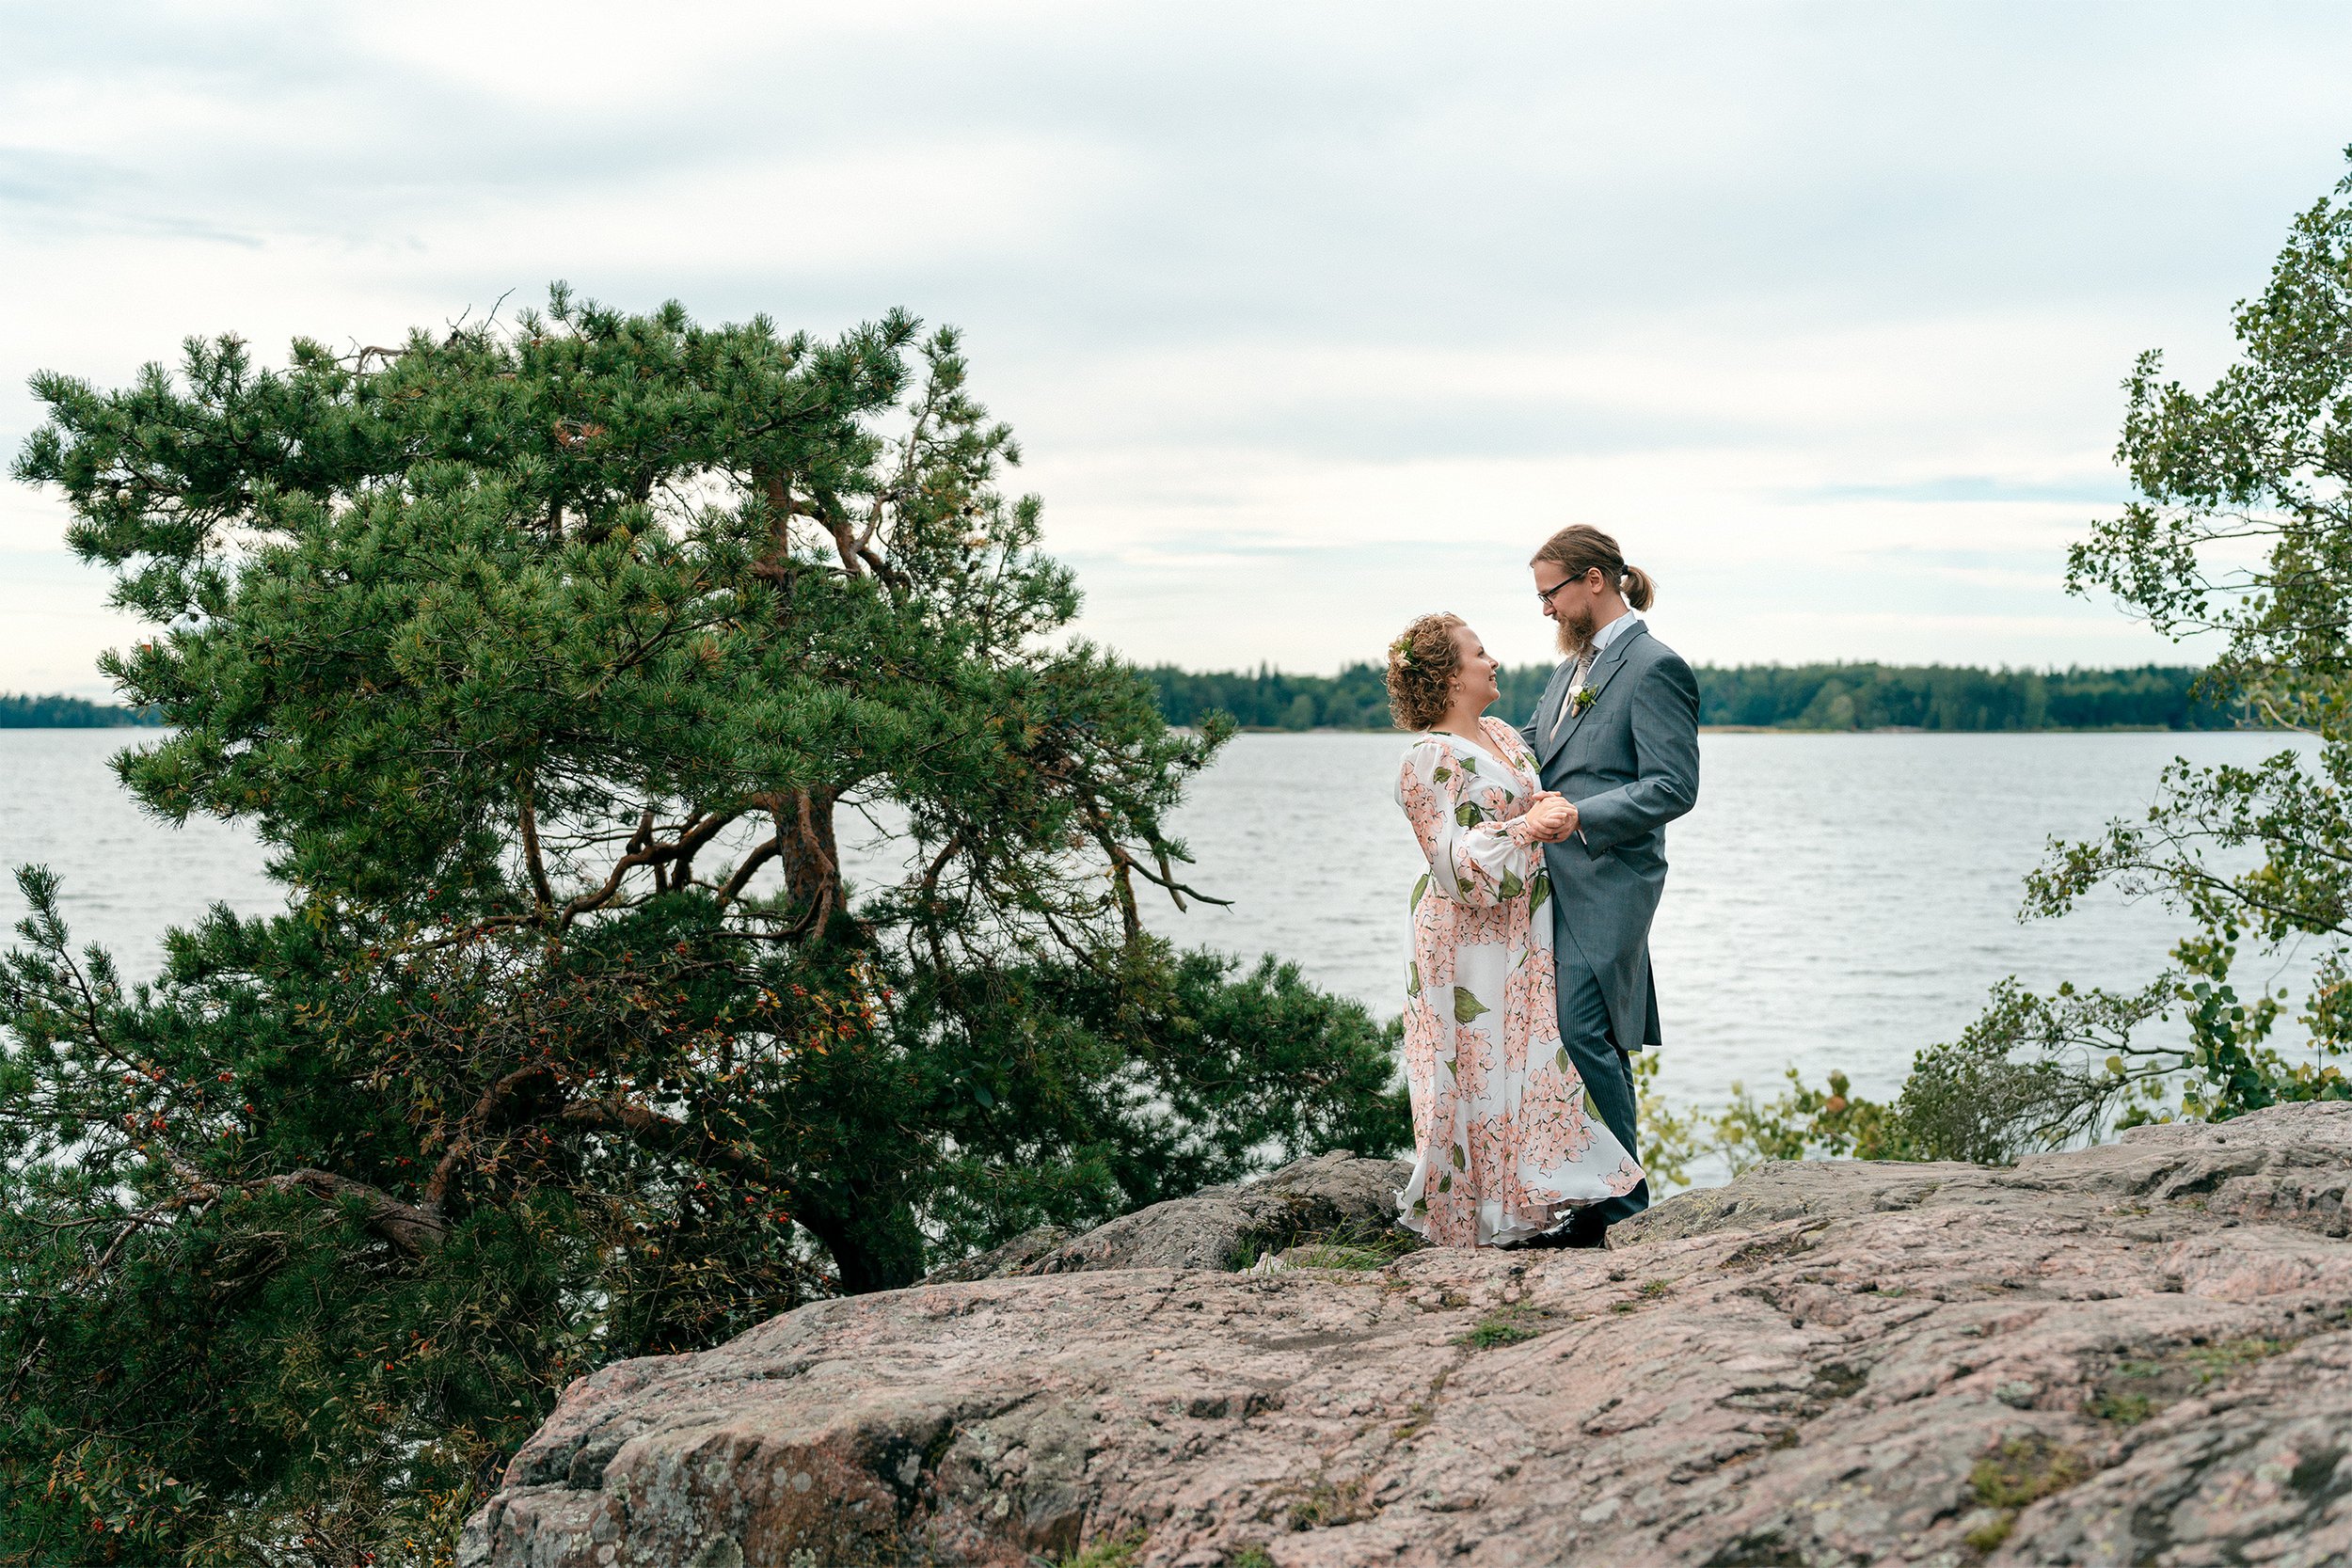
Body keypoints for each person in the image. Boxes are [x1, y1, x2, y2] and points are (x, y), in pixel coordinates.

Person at [1386, 610, 1645, 1248]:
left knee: (1526, 1062)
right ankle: (1474, 1220)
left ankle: (1533, 1209)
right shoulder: (1426, 759)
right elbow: (1453, 866)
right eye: (1479, 653)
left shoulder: (1503, 734)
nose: (1492, 661)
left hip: (1520, 931)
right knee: (1474, 1066)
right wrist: (1528, 825)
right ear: (1450, 676)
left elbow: (1546, 786)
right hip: (1463, 941)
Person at [1517, 524, 1701, 1248]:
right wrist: (1458, 746)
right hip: (1551, 879)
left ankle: (1625, 1209)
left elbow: (1673, 786)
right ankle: (1590, 1198)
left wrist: (1579, 816)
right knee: (1573, 1033)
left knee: (1582, 1027)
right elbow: (1532, 749)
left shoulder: (1655, 666)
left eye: (1550, 593)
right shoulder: (1569, 671)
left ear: (1595, 580)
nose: (1546, 611)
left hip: (1613, 876)